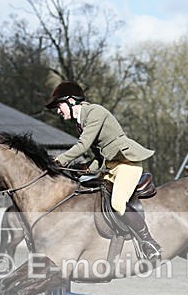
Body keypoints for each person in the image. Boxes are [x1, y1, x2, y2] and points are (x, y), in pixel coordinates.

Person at [45, 81, 161, 261]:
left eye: (58, 106)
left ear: (70, 101)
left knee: (118, 203)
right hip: (111, 168)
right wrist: (83, 170)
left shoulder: (94, 112)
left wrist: (57, 160)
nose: (58, 111)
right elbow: (100, 158)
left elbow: (83, 145)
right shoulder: (81, 123)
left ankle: (149, 242)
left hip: (126, 164)